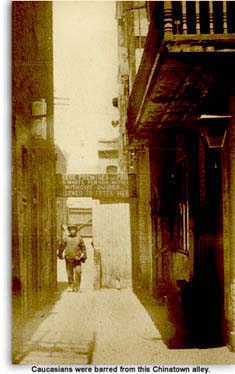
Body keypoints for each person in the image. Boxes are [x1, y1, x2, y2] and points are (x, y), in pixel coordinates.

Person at [58, 225, 87, 292]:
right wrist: (60, 254)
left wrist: (84, 256)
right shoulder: (66, 238)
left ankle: (77, 287)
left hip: (77, 258)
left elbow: (83, 248)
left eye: (74, 229)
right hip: (69, 258)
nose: (72, 231)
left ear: (76, 230)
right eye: (71, 229)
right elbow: (61, 246)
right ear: (69, 230)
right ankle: (71, 285)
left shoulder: (79, 238)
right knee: (70, 273)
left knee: (78, 272)